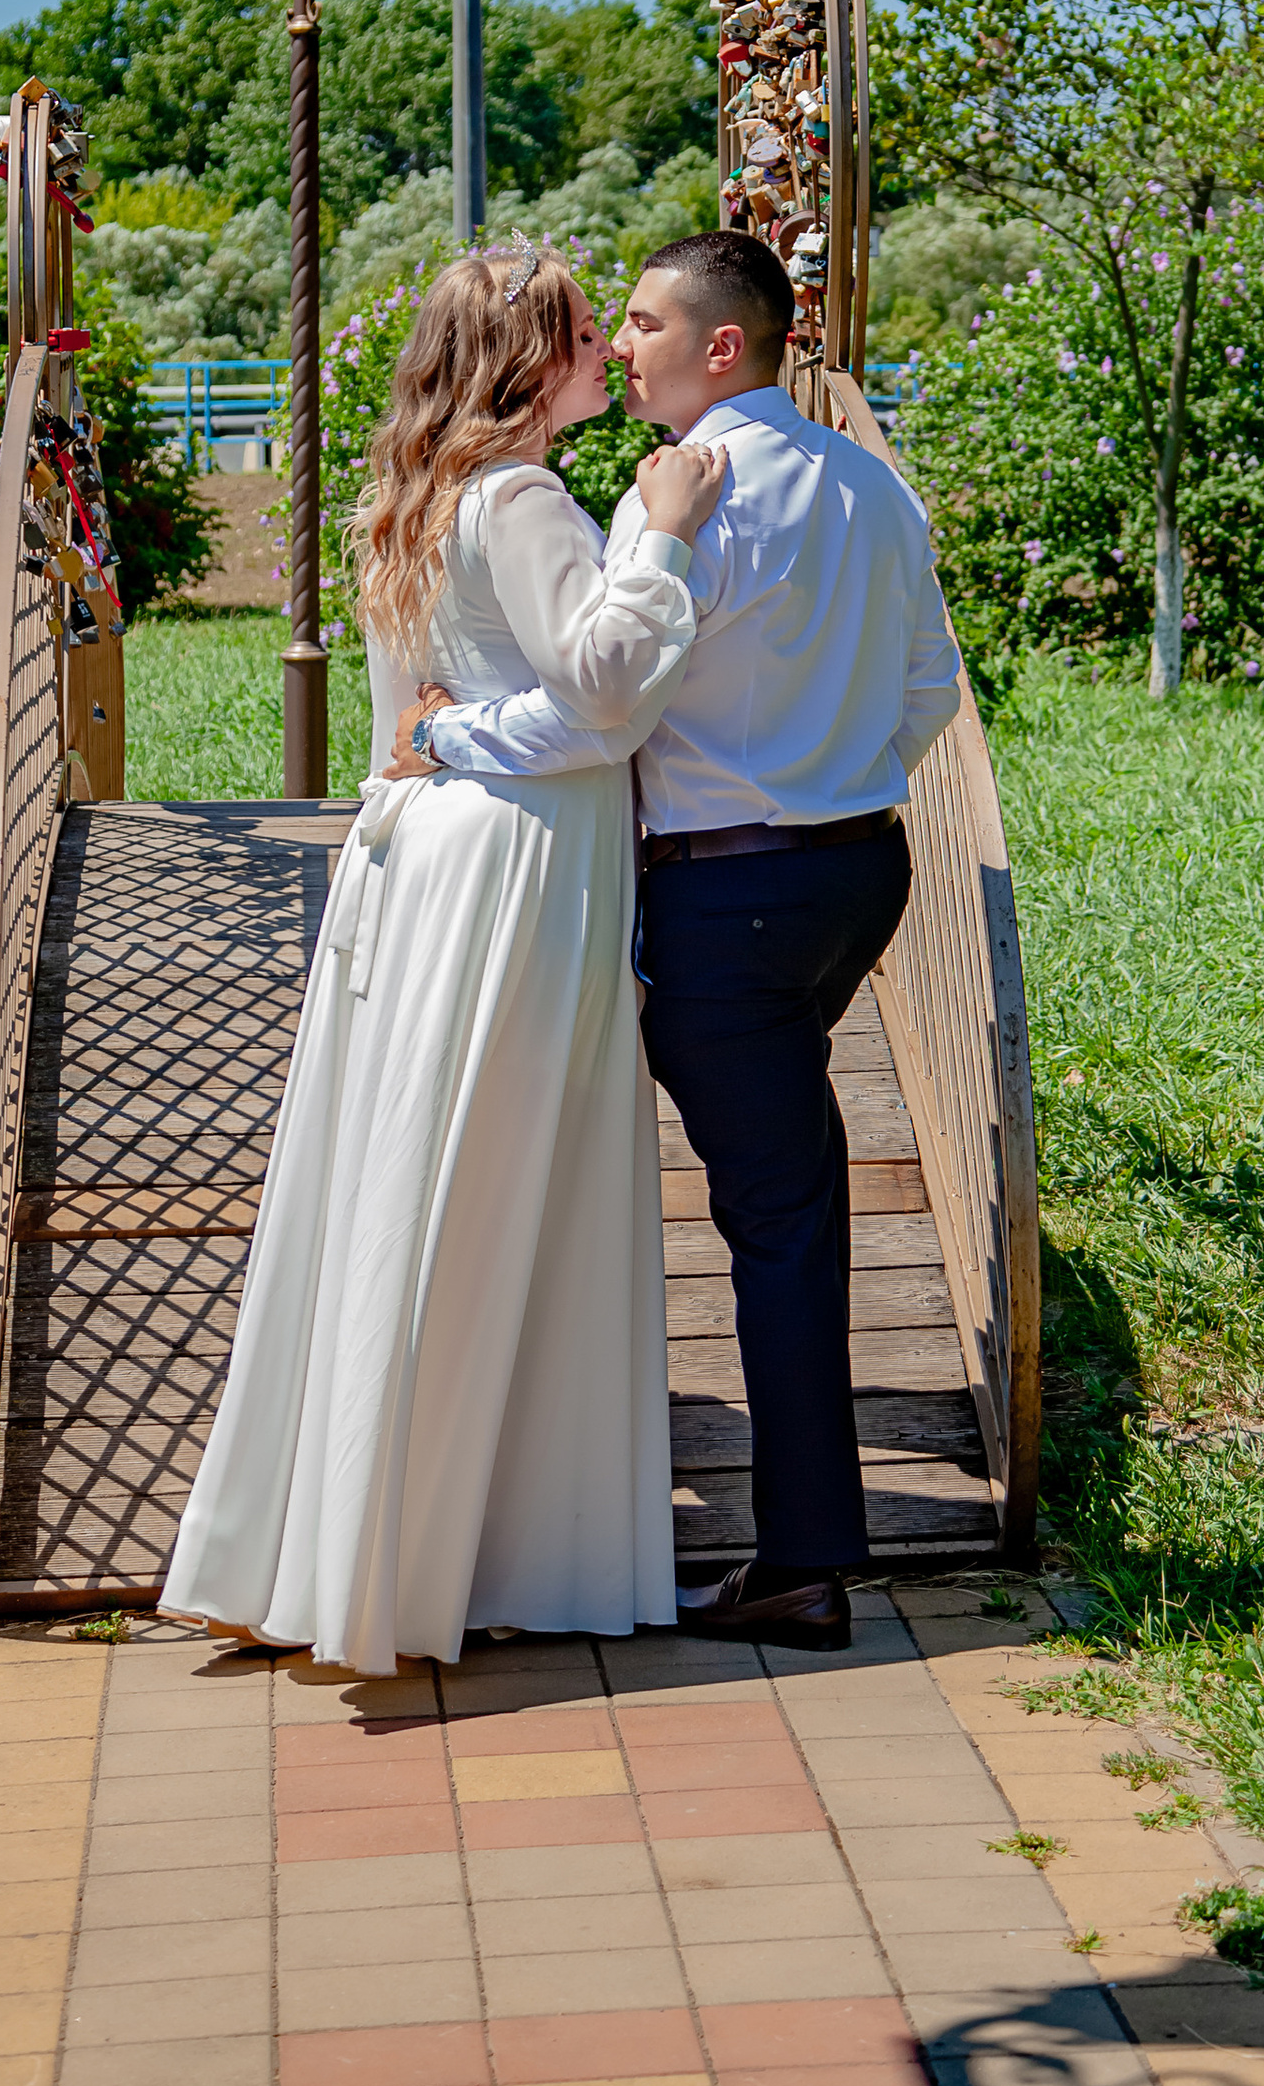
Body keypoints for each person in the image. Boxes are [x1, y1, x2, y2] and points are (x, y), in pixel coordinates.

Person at [161, 239, 727, 1676]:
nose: (612, 350)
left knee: (409, 1186)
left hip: (419, 850)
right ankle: (473, 1552)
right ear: (533, 364)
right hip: (516, 859)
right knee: (495, 1190)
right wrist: (659, 534)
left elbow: (406, 714)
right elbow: (598, 687)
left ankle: (361, 1546)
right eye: (590, 332)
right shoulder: (524, 493)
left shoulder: (409, 499)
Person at [403, 227, 960, 1653]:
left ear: (726, 346)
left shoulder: (697, 507)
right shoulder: (871, 488)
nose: (620, 344)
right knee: (785, 1192)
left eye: (644, 324)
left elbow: (611, 704)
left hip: (729, 901)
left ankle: (804, 1562)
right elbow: (929, 688)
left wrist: (450, 734)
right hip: (856, 874)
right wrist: (833, 779)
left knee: (778, 1221)